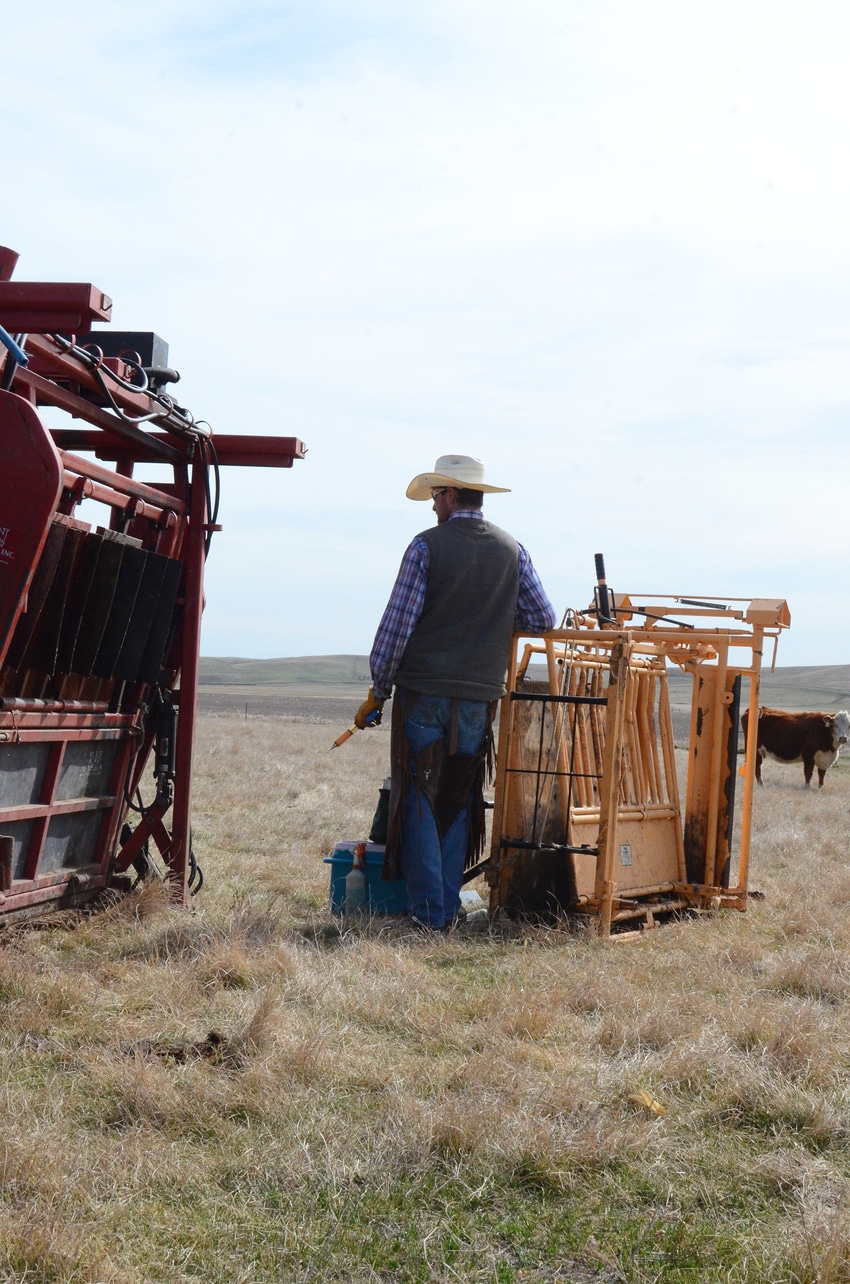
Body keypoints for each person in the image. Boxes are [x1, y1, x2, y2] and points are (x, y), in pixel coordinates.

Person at [353, 455, 556, 929]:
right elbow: (542, 618)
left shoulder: (426, 547)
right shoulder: (514, 550)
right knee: (459, 795)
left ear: (448, 495)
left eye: (434, 496)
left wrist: (379, 690)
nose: (431, 507)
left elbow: (396, 629)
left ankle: (430, 915)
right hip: (481, 695)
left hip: (425, 691)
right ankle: (444, 906)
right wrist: (492, 623)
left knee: (421, 797)